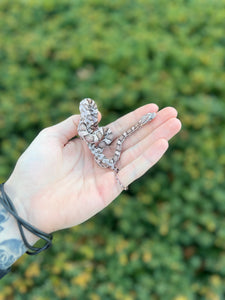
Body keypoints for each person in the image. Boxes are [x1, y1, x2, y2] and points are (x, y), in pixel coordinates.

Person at [0, 103, 181, 278]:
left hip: (101, 152)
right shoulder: (90, 131)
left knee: (124, 140)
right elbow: (96, 136)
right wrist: (21, 204)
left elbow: (98, 137)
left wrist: (22, 209)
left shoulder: (92, 132)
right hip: (99, 152)